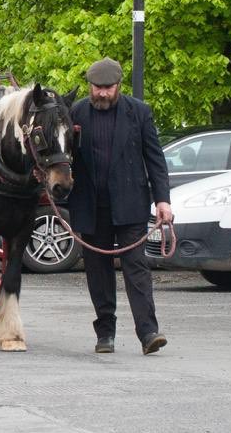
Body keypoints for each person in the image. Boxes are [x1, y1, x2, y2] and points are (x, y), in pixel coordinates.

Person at [70, 57, 173, 355]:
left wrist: (162, 200)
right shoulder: (75, 112)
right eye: (97, 87)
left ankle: (148, 332)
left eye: (108, 87)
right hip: (90, 205)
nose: (102, 93)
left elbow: (155, 159)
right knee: (98, 271)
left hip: (129, 203)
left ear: (118, 85)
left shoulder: (139, 112)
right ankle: (105, 334)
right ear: (90, 85)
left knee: (136, 268)